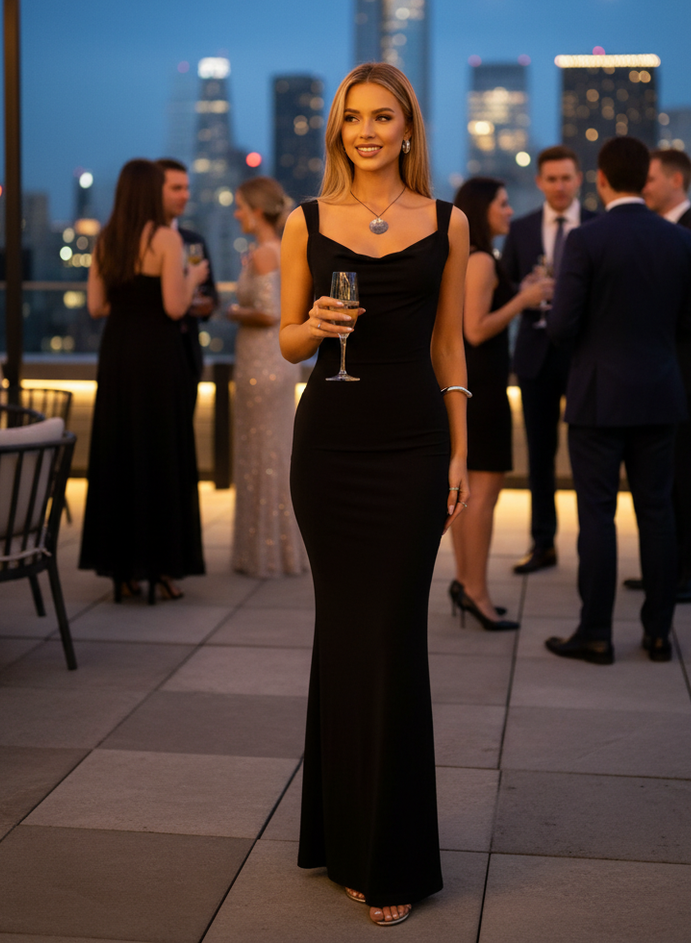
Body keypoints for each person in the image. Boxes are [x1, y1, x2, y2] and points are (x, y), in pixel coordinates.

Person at [280, 63, 469, 926]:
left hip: (413, 446)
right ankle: (340, 837)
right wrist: (310, 327)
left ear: (407, 128)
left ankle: (387, 851)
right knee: (346, 634)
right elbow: (288, 341)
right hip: (330, 449)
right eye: (352, 117)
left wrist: (461, 453)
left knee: (391, 637)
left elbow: (450, 351)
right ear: (338, 130)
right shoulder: (305, 221)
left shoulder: (450, 223)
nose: (366, 130)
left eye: (382, 117)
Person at [545, 137, 691, 665]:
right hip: (660, 393)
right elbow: (690, 324)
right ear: (646, 179)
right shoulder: (681, 242)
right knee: (657, 513)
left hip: (597, 397)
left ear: (601, 179)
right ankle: (658, 634)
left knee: (597, 517)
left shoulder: (587, 240)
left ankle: (595, 633)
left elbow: (563, 324)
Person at [80, 159, 209, 603]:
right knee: (160, 455)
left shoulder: (105, 239)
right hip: (157, 356)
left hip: (117, 355)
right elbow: (175, 307)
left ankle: (121, 569)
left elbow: (96, 306)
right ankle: (161, 566)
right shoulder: (166, 238)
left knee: (119, 454)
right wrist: (192, 277)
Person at [622, 149, 691, 602]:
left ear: (676, 180)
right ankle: (668, 567)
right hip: (658, 374)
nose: (644, 187)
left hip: (685, 376)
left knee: (688, 475)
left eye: (651, 179)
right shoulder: (664, 231)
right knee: (661, 477)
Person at [450, 177, 553, 630]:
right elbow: (475, 329)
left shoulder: (472, 258)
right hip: (483, 390)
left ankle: (466, 584)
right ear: (482, 209)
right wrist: (526, 300)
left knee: (465, 498)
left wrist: (519, 291)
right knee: (481, 497)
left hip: (472, 386)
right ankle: (476, 591)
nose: (510, 211)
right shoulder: (481, 261)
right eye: (503, 204)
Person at [500, 145, 595, 574]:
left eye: (566, 178)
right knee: (539, 456)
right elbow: (503, 293)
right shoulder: (519, 230)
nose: (559, 186)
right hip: (535, 356)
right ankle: (543, 543)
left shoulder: (598, 227)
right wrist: (525, 290)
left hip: (583, 357)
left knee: (588, 456)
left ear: (580, 180)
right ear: (539, 182)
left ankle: (594, 548)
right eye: (551, 179)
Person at [227, 177, 306, 578]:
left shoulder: (264, 254)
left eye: (240, 206)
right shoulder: (279, 249)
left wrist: (234, 312)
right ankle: (279, 547)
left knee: (264, 454)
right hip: (273, 364)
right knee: (273, 451)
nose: (237, 213)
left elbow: (272, 314)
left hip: (262, 363)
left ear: (257, 211)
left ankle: (266, 551)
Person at [156, 158, 218, 407]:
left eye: (187, 188)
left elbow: (211, 292)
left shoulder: (194, 240)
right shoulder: (142, 242)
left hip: (187, 353)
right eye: (176, 188)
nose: (185, 195)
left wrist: (206, 305)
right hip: (152, 352)